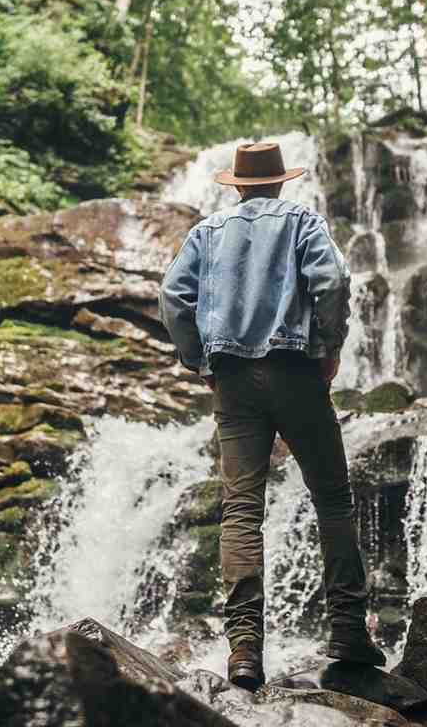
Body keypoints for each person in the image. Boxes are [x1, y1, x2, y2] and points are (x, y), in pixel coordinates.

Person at [159, 141, 386, 690]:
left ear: (236, 186)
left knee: (240, 510)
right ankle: (348, 632)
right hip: (296, 372)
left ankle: (243, 652)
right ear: (281, 183)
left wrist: (198, 360)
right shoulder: (303, 222)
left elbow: (172, 296)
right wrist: (329, 346)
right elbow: (331, 283)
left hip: (232, 380)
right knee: (331, 498)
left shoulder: (207, 232)